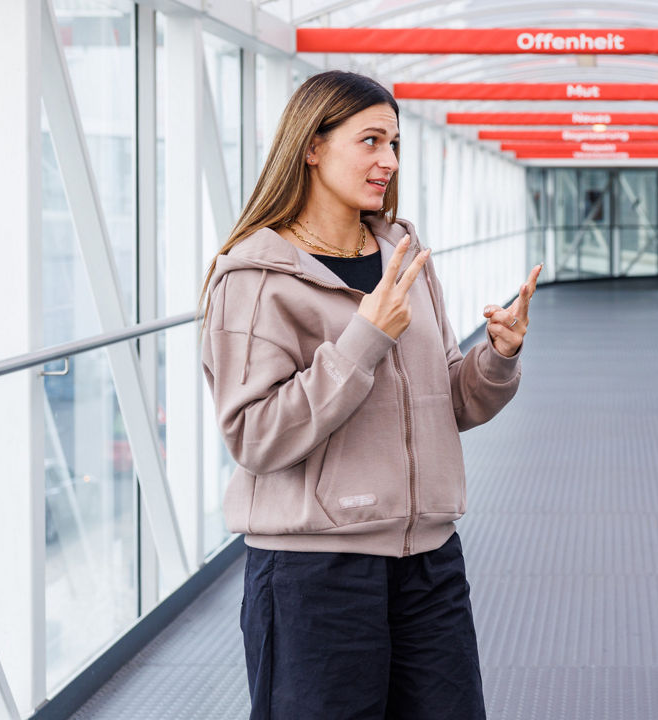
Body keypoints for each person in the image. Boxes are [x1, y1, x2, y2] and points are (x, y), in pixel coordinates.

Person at [200, 70, 541, 719]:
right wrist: (363, 340)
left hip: (428, 561)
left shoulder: (403, 257)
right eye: (370, 140)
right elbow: (254, 435)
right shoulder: (254, 276)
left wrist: (498, 356)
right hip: (315, 574)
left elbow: (449, 402)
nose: (388, 161)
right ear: (312, 145)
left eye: (395, 144)